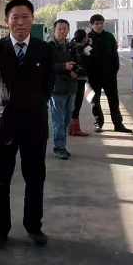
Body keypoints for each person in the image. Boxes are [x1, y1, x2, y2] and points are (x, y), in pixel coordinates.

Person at [0, 0, 55, 249]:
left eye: (25, 17)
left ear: (32, 19)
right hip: (4, 124)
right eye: (15, 17)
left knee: (35, 177)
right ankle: (0, 229)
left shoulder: (44, 50)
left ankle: (34, 227)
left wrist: (34, 103)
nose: (20, 23)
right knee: (0, 178)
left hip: (34, 123)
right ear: (6, 21)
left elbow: (48, 85)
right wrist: (2, 108)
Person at [85, 14, 132, 133]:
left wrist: (114, 71)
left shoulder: (109, 37)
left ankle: (118, 124)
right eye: (96, 24)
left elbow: (115, 56)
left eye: (101, 23)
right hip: (93, 76)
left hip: (109, 75)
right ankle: (98, 123)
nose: (99, 26)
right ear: (91, 25)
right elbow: (84, 55)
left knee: (113, 100)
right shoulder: (87, 38)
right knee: (94, 101)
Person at [48, 19, 78, 160]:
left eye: (64, 29)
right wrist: (63, 66)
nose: (61, 31)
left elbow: (78, 62)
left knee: (66, 120)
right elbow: (46, 66)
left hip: (70, 87)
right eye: (59, 29)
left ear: (68, 30)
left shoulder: (71, 47)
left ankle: (62, 146)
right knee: (58, 121)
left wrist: (76, 71)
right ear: (54, 31)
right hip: (57, 89)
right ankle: (58, 148)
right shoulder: (49, 47)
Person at [68, 28, 90, 137]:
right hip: (80, 78)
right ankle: (75, 129)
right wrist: (89, 45)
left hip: (72, 79)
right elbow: (90, 57)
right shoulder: (82, 48)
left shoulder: (71, 46)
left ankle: (71, 127)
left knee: (73, 104)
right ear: (84, 38)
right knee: (77, 104)